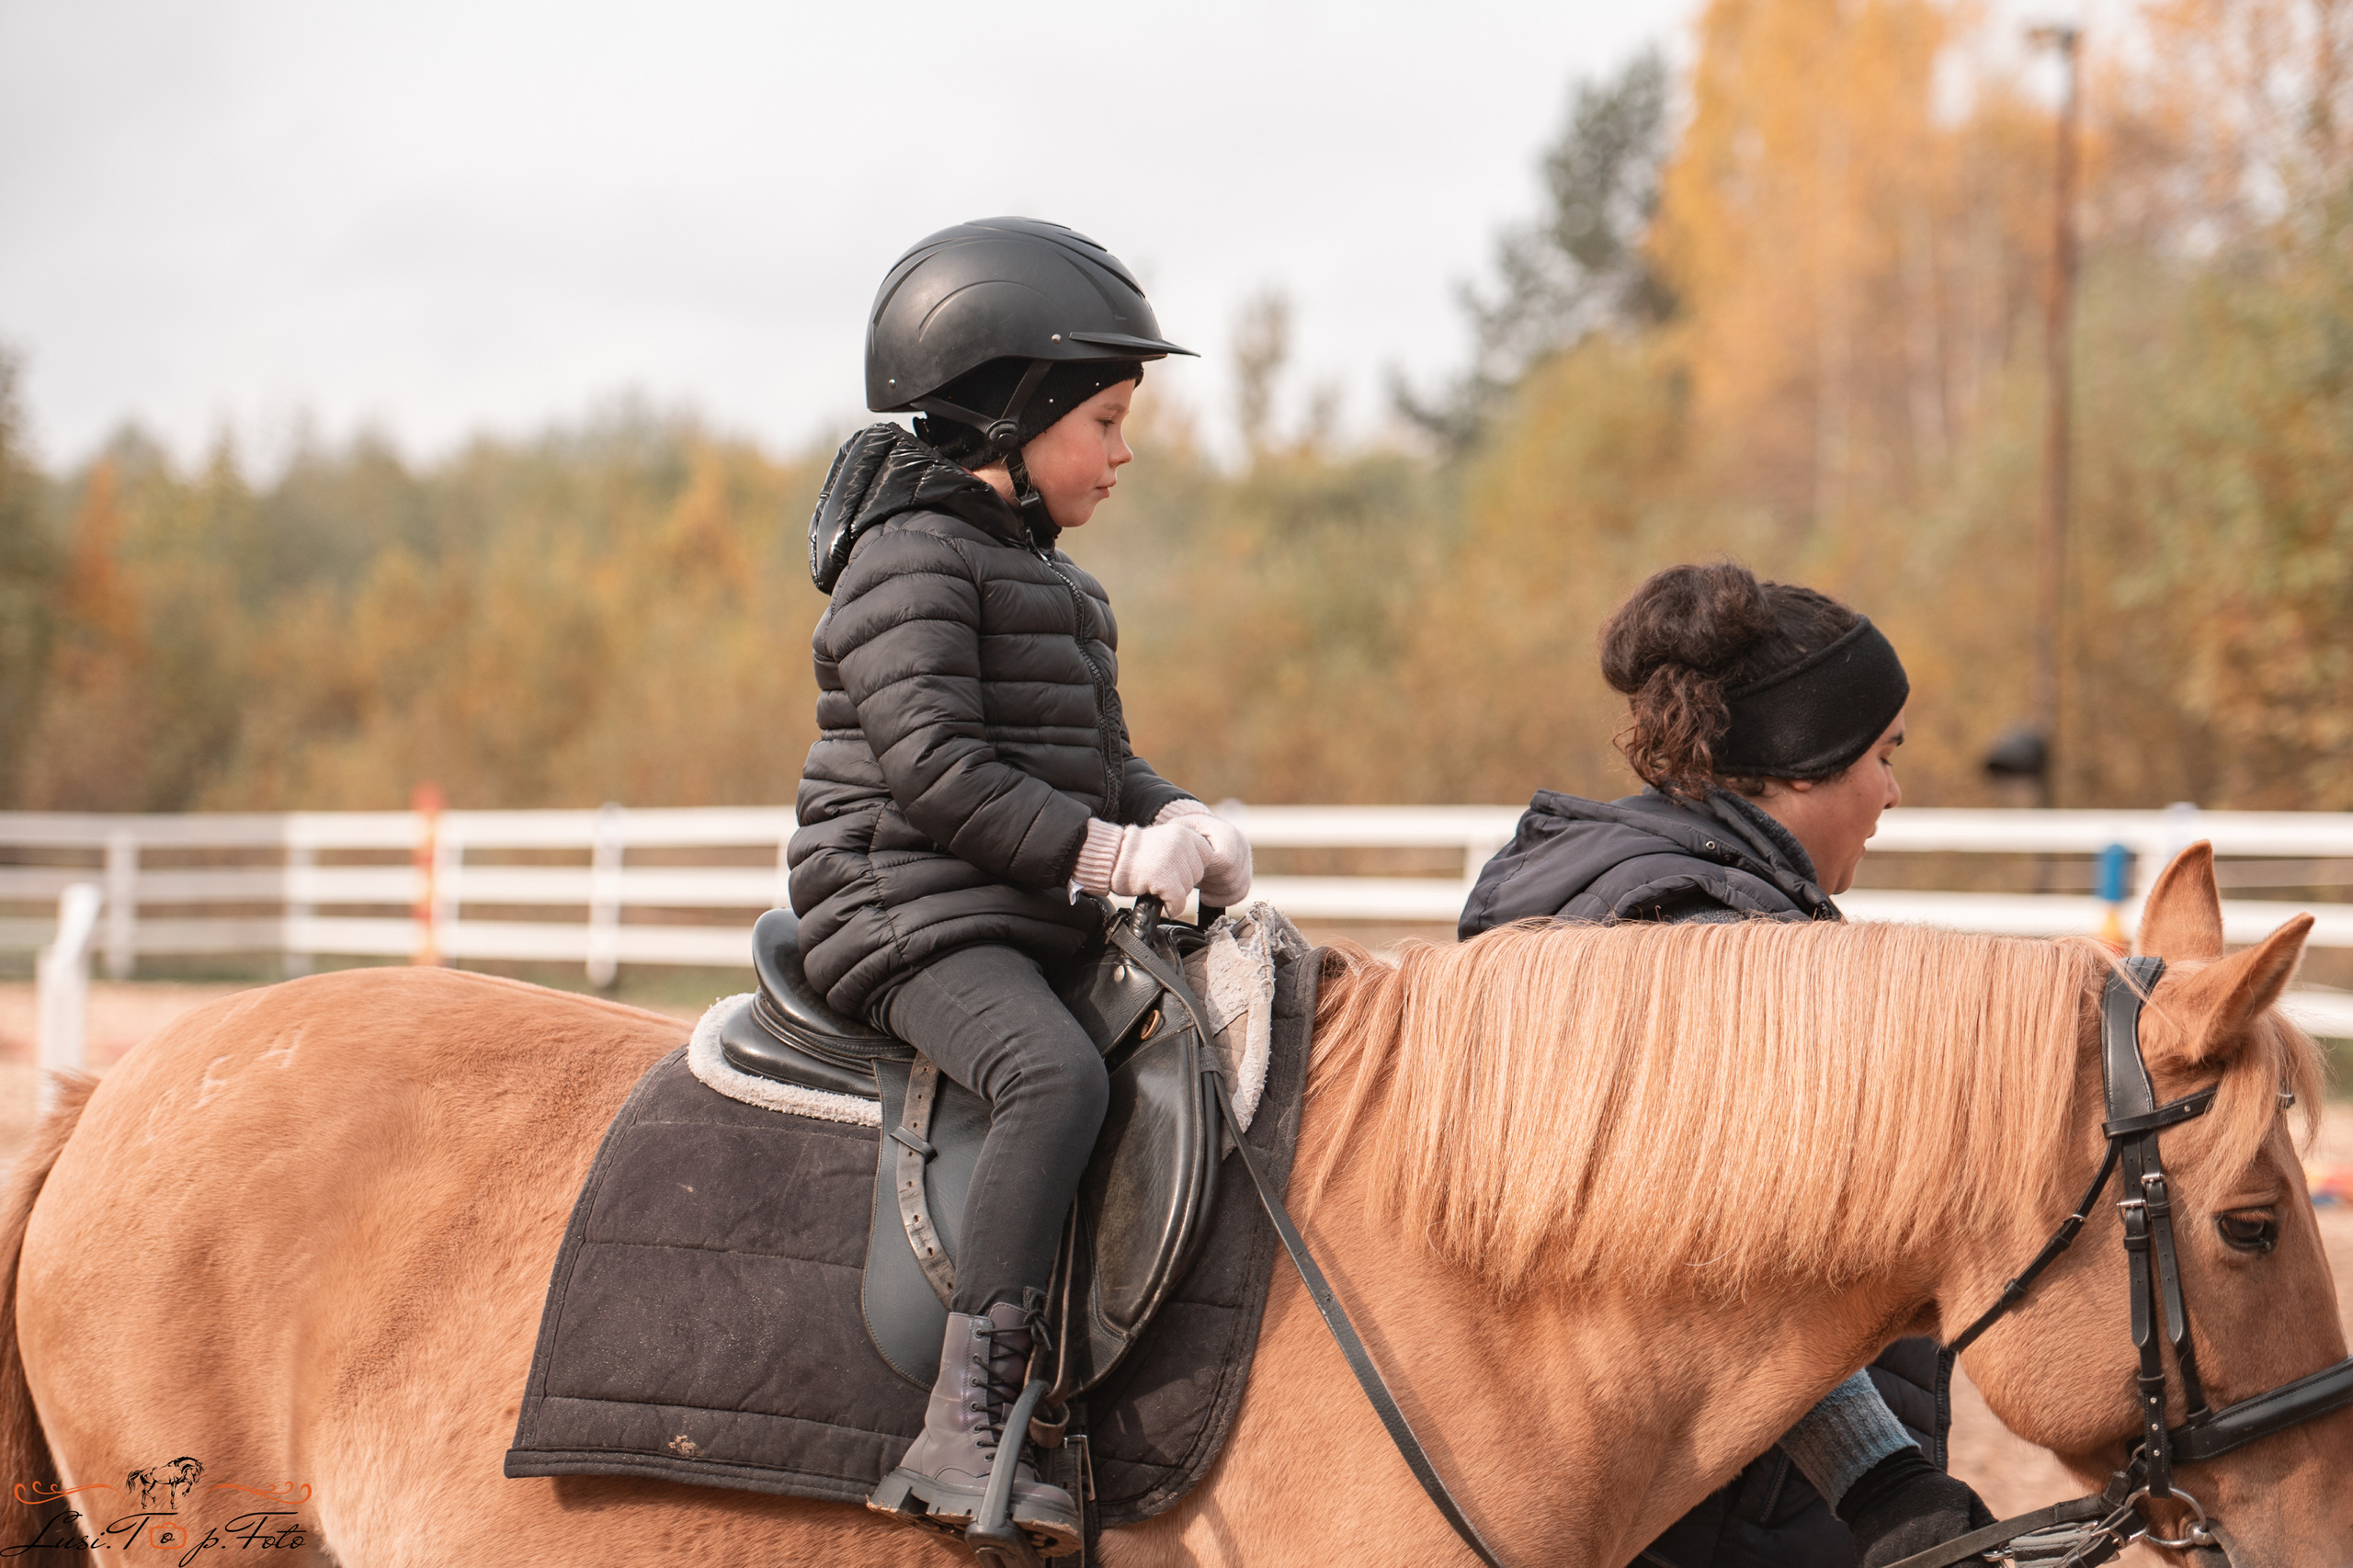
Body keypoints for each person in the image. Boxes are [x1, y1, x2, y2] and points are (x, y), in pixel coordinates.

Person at [789, 218, 1252, 1553]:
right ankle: (968, 1418)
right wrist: (1111, 857)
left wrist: (1180, 820)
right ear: (1014, 414)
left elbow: (1103, 761)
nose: (1121, 450)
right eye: (1102, 419)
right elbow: (935, 771)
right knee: (1055, 1073)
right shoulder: (909, 560)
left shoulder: (1056, 583)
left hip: (1010, 896)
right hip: (901, 904)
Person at [1459, 562, 1994, 1568]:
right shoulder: (1697, 939)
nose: (1890, 791)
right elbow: (1719, 1266)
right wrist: (1886, 1481)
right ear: (1802, 763)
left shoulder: (1653, 897)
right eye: (1881, 756)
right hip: (1718, 1513)